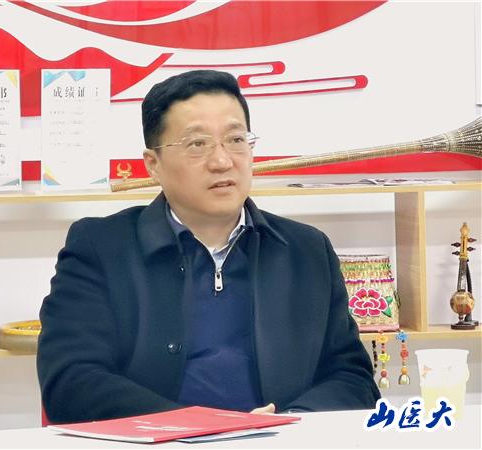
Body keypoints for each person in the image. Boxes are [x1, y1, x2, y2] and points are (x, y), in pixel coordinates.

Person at [37, 70, 380, 424]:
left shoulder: (305, 250)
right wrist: (201, 427)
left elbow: (352, 377)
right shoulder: (101, 247)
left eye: (236, 139)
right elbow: (70, 382)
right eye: (197, 145)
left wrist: (290, 421)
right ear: (153, 164)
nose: (222, 161)